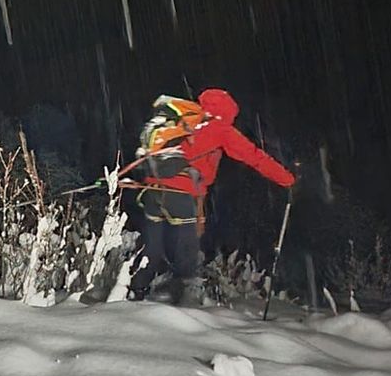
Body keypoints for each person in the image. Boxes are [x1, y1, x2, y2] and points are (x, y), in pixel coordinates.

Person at [127, 87, 296, 305]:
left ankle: (133, 293)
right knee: (187, 254)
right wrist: (287, 179)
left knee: (153, 248)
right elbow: (254, 157)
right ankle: (179, 309)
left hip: (153, 193)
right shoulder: (220, 129)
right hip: (181, 196)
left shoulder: (185, 123)